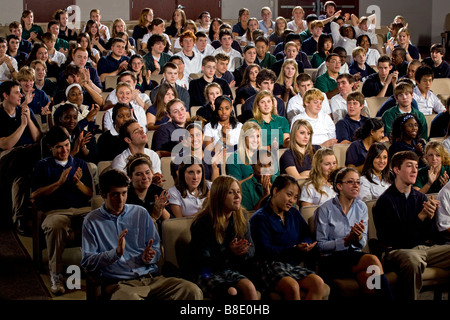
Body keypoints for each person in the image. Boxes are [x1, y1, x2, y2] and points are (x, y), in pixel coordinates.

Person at [81, 168, 202, 300]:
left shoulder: (140, 213)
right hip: (120, 284)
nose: (121, 200)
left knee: (192, 290)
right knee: (131, 298)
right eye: (115, 194)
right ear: (103, 194)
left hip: (151, 279)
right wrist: (115, 254)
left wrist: (150, 256)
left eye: (124, 193)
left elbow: (155, 248)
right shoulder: (92, 221)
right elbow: (88, 262)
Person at [373, 151, 450, 300]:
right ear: (396, 170)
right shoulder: (385, 201)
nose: (415, 170)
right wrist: (421, 217)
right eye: (409, 166)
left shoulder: (420, 197)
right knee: (413, 260)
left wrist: (430, 218)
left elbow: (430, 235)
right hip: (398, 251)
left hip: (426, 249)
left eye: (416, 166)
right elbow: (397, 239)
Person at [315, 167, 394, 300]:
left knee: (366, 278)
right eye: (351, 182)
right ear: (339, 186)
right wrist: (345, 241)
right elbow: (320, 246)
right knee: (372, 259)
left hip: (354, 257)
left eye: (358, 182)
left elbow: (362, 242)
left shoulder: (361, 207)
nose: (356, 186)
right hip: (332, 260)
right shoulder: (324, 210)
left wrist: (357, 238)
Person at [31, 125, 93, 295]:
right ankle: (56, 275)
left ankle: (99, 270)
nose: (64, 150)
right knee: (56, 225)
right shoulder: (42, 166)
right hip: (56, 211)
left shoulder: (80, 163)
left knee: (100, 220)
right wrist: (58, 183)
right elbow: (34, 195)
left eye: (66, 145)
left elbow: (90, 193)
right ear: (50, 147)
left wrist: (77, 183)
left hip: (82, 209)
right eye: (59, 146)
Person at [250, 174, 326, 300]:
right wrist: (294, 249)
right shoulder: (259, 218)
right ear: (275, 191)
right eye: (289, 195)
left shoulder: (293, 213)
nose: (292, 200)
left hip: (291, 265)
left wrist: (306, 244)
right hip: (268, 266)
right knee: (292, 286)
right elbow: (265, 250)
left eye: (295, 197)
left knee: (318, 282)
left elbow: (306, 234)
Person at [189, 175, 258, 300]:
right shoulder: (202, 223)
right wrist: (230, 253)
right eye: (231, 192)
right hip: (206, 273)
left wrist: (243, 251)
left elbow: (252, 249)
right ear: (219, 196)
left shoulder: (241, 216)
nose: (237, 196)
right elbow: (203, 261)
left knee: (249, 287)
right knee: (231, 291)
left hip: (230, 270)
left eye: (238, 192)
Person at [125, 153, 170, 226]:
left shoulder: (157, 190)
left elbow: (168, 220)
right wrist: (154, 216)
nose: (145, 177)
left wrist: (160, 208)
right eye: (139, 174)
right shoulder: (125, 194)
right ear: (130, 177)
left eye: (147, 172)